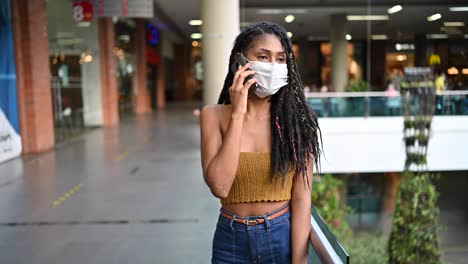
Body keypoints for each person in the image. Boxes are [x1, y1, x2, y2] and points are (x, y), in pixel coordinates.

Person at [200, 21, 322, 263]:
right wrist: (237, 113)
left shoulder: (297, 121)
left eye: (280, 59)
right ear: (241, 61)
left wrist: (300, 260)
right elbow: (220, 187)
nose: (273, 67)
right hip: (230, 241)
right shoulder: (213, 115)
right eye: (263, 57)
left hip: (280, 236)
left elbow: (301, 198)